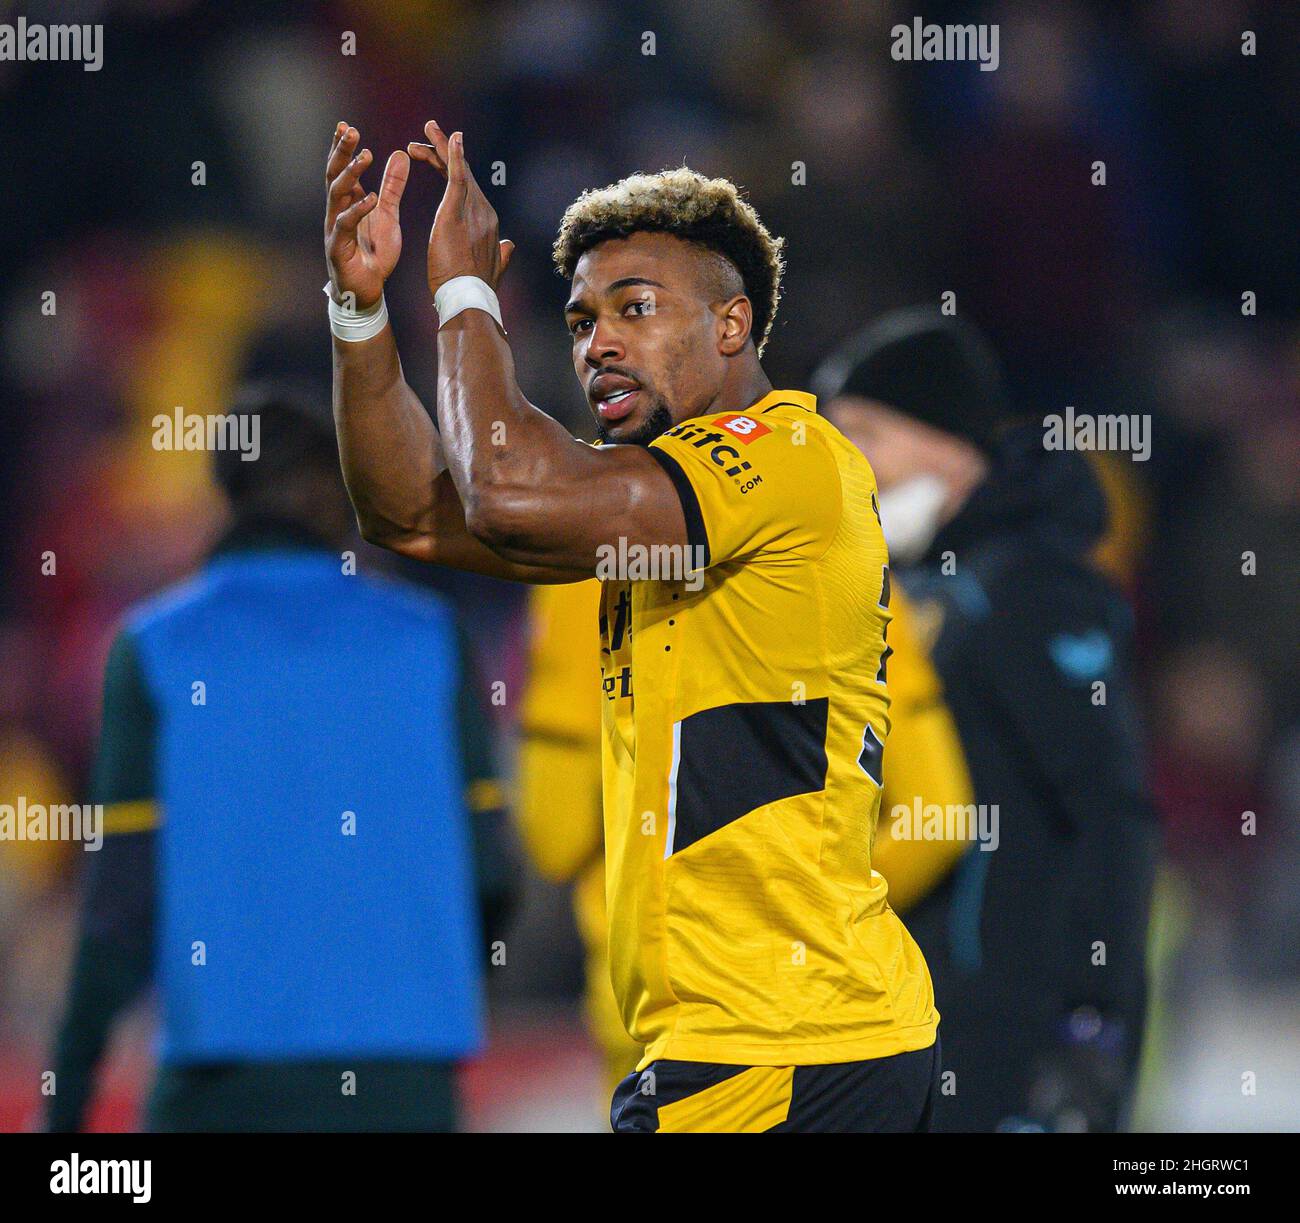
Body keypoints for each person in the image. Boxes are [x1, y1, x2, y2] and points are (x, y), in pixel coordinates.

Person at [324, 119, 940, 1132]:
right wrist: (357, 313)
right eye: (575, 321)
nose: (597, 341)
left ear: (733, 326)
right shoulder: (650, 512)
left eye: (635, 308)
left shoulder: (784, 459)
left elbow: (508, 488)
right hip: (756, 1040)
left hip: (784, 1043)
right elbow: (408, 514)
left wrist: (464, 293)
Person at [46, 386, 512, 1132]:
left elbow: (118, 907)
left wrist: (65, 1100)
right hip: (404, 1083)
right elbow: (493, 871)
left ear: (225, 488)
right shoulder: (430, 638)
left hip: (223, 1085)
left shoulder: (157, 647)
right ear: (341, 494)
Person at [817, 307, 1157, 1132]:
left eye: (866, 431)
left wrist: (1092, 1024)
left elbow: (1108, 810)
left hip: (1009, 1026)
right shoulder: (915, 590)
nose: (849, 462)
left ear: (950, 442)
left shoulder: (1030, 590)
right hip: (914, 1020)